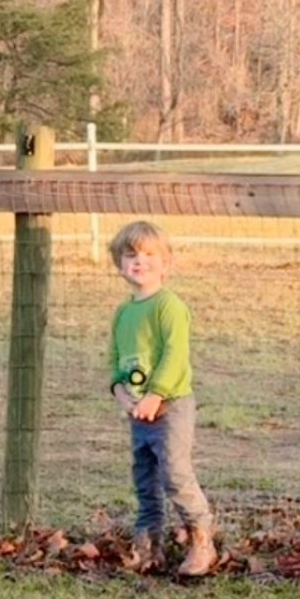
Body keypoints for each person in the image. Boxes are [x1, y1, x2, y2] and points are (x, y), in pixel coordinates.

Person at [108, 220, 217, 578]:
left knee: (175, 472)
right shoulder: (124, 313)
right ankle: (149, 545)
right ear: (119, 264)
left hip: (170, 408)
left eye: (150, 254)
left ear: (166, 263)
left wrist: (156, 395)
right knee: (145, 477)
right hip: (138, 411)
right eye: (131, 255)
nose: (140, 261)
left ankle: (202, 539)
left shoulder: (168, 306)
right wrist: (121, 393)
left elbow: (175, 355)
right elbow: (115, 360)